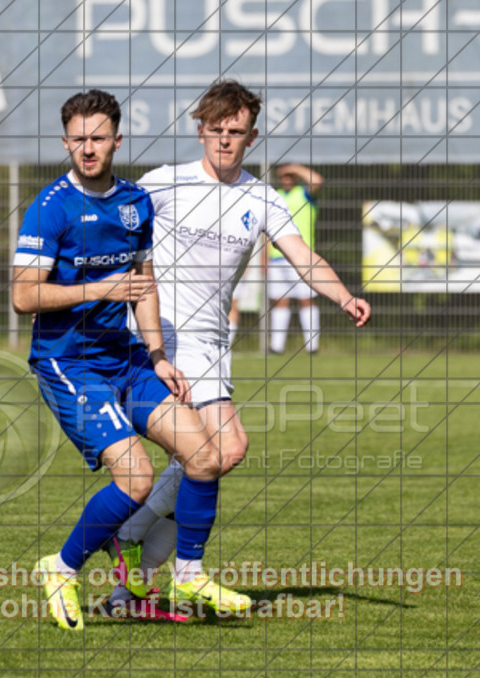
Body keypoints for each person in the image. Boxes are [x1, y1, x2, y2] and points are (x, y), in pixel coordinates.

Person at [106, 80, 370, 602]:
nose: (225, 140)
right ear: (200, 129)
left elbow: (304, 258)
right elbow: (109, 228)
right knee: (218, 449)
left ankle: (132, 563)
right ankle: (161, 563)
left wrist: (343, 297)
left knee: (215, 454)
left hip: (210, 343)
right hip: (156, 339)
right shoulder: (164, 183)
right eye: (217, 130)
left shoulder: (262, 198)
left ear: (252, 137)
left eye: (237, 132)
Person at [11, 90, 251, 631]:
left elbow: (143, 287)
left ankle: (188, 574)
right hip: (67, 364)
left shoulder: (134, 203)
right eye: (78, 138)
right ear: (66, 141)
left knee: (206, 456)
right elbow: (24, 296)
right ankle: (62, 568)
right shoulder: (51, 208)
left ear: (117, 141)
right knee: (137, 480)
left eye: (97, 138)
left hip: (125, 359)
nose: (87, 148)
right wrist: (98, 288)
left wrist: (160, 355)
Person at [268, 163, 324, 354]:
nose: (286, 179)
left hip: (301, 256)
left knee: (306, 299)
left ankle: (312, 346)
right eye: (283, 176)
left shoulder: (304, 194)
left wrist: (293, 168)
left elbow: (317, 180)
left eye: (290, 176)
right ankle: (276, 347)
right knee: (279, 300)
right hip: (277, 258)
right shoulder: (275, 196)